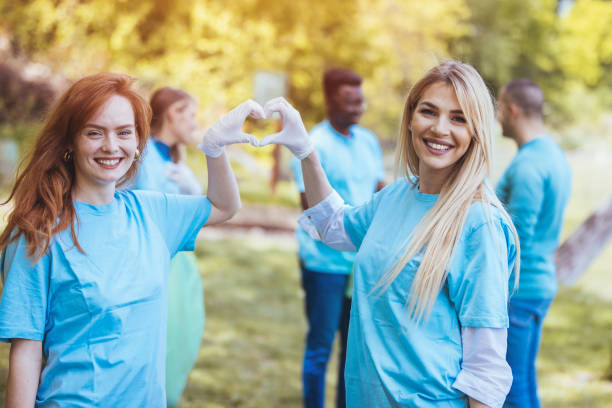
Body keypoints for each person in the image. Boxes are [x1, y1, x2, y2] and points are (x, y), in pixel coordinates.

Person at [258, 60, 520, 408]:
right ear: (411, 118)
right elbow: (334, 226)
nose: (440, 128)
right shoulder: (395, 196)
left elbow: (485, 365)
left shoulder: (480, 223)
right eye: (429, 111)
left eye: (459, 118)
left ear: (476, 130)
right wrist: (306, 152)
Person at [0, 72, 262, 407]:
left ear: (139, 141)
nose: (111, 146)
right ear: (70, 141)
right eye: (94, 133)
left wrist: (214, 147)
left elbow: (225, 206)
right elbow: (26, 351)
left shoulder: (153, 212)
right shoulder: (38, 233)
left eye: (124, 133)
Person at [288, 68, 386, 408]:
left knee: (354, 350)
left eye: (361, 101)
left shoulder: (368, 141)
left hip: (360, 264)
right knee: (320, 348)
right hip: (324, 263)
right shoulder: (312, 145)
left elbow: (378, 192)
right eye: (350, 101)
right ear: (330, 100)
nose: (358, 108)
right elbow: (311, 205)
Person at [495, 79, 572, 408]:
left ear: (512, 109)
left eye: (499, 107)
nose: (497, 116)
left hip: (520, 289)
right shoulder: (552, 154)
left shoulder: (528, 165)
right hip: (537, 285)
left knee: (511, 387)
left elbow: (518, 238)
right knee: (522, 378)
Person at [130, 87, 205, 407]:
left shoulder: (175, 159)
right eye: (191, 114)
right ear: (173, 113)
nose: (195, 123)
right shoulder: (140, 156)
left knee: (178, 344)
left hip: (178, 269)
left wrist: (193, 190)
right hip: (146, 267)